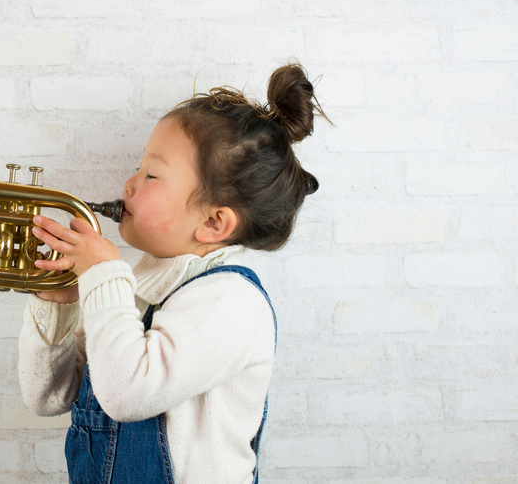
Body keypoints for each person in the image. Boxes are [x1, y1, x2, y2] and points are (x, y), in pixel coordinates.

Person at [18, 63, 327, 484]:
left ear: (215, 224)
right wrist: (58, 307)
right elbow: (48, 398)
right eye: (138, 167)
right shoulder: (133, 289)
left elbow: (127, 393)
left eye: (151, 174)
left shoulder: (231, 302)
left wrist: (105, 274)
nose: (129, 183)